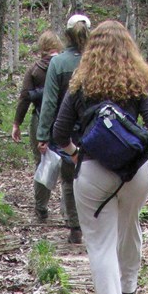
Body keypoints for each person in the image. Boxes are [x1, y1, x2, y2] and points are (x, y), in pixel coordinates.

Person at [52, 20, 148, 294]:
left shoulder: (80, 85)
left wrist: (76, 155)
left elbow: (59, 133)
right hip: (135, 171)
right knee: (130, 224)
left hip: (92, 173)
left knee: (101, 244)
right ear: (129, 49)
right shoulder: (137, 82)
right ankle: (129, 286)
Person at [36, 14, 91, 244]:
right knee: (93, 178)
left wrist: (43, 135)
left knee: (69, 180)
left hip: (65, 131)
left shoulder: (58, 63)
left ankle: (76, 227)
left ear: (66, 35)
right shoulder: (96, 61)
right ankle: (93, 226)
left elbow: (49, 102)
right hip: (94, 130)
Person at [12, 31, 63, 221]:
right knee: (69, 163)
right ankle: (70, 213)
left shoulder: (35, 70)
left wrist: (17, 123)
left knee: (43, 162)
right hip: (66, 121)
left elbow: (25, 98)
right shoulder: (68, 66)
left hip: (40, 119)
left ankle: (41, 207)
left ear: (41, 48)